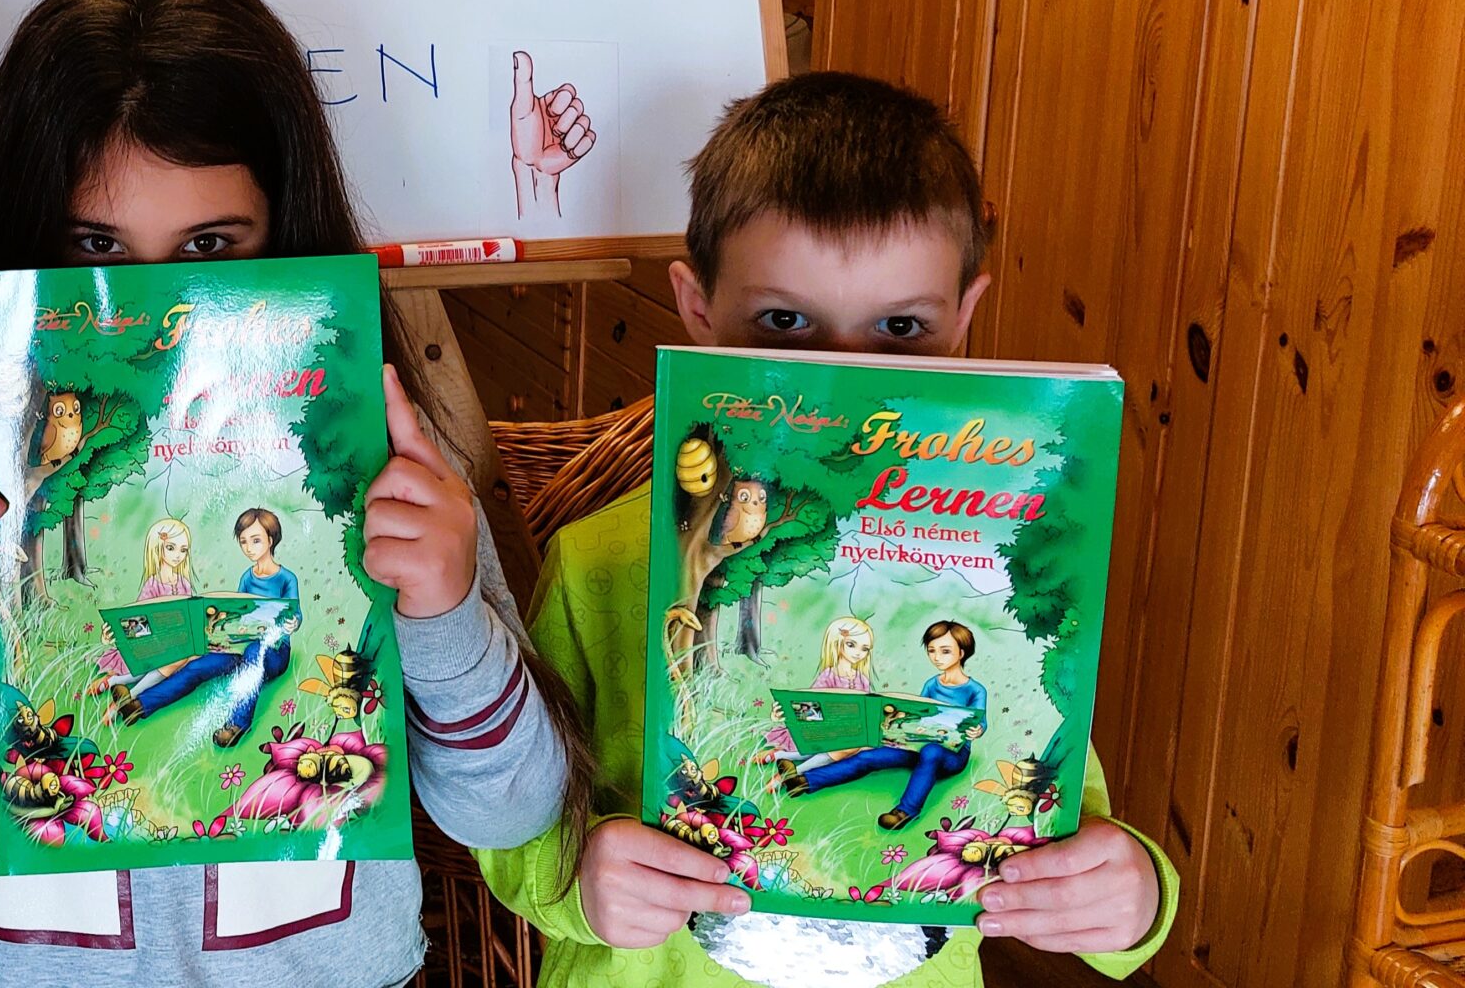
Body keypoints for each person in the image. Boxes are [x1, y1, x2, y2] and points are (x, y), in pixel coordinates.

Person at [0, 0, 581, 986]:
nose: (158, 312)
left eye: (209, 244)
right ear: (19, 236)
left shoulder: (386, 469)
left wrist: (443, 615)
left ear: (286, 229)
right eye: (96, 247)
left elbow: (512, 810)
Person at [474, 72, 1175, 985]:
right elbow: (510, 831)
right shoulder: (598, 560)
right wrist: (580, 881)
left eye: (899, 326)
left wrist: (1135, 897)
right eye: (784, 320)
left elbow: (1071, 823)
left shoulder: (991, 579)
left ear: (963, 319)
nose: (840, 372)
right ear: (698, 309)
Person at [118, 508, 301, 747]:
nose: (249, 548)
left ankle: (238, 723)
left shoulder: (286, 578)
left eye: (255, 540)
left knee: (254, 653)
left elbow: (295, 613)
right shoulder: (247, 577)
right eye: (243, 541)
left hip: (273, 653)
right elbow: (238, 612)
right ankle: (139, 705)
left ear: (271, 539)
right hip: (241, 647)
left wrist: (293, 623)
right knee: (198, 666)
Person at [786, 620, 988, 830]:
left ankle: (906, 811)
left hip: (952, 755)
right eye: (931, 651)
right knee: (869, 756)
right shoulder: (932, 683)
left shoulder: (975, 690)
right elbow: (920, 714)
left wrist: (977, 730)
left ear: (961, 653)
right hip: (917, 745)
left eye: (945, 651)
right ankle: (806, 780)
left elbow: (981, 721)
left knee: (932, 752)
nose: (937, 657)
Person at [84, 517, 198, 700]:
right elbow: (137, 619)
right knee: (173, 659)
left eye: (183, 550)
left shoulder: (184, 583)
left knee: (188, 655)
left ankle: (116, 684)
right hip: (154, 643)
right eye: (171, 548)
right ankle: (129, 693)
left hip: (177, 641)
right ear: (158, 548)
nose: (178, 555)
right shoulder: (152, 584)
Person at [748, 615, 872, 772]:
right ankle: (796, 771)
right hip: (827, 729)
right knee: (848, 746)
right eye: (851, 645)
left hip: (851, 730)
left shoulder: (862, 679)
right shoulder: (828, 675)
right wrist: (785, 711)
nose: (858, 653)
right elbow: (811, 706)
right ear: (837, 643)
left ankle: (781, 756)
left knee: (860, 745)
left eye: (865, 649)